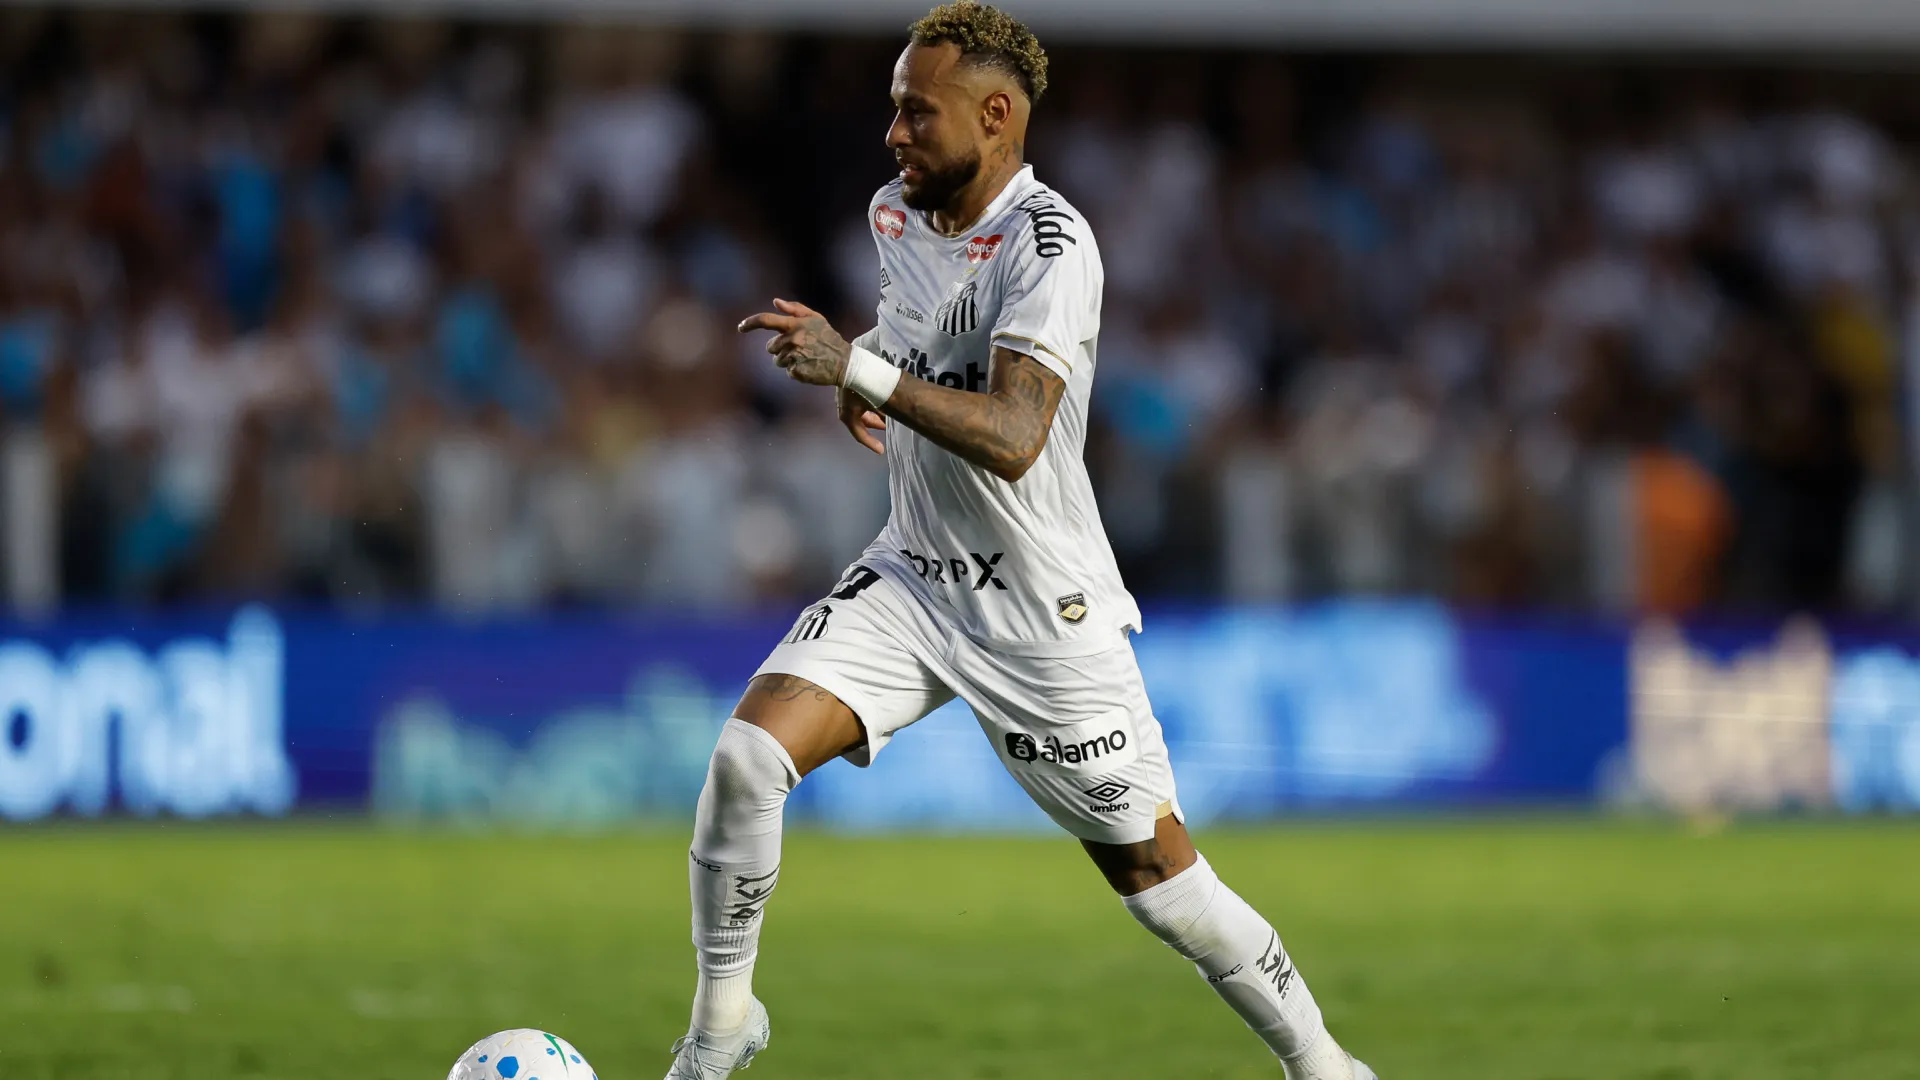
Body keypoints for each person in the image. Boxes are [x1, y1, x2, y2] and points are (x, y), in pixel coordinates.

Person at [668, 4, 1376, 1077]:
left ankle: (1327, 1066)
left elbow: (1010, 436)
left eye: (918, 112)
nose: (894, 134)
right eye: (893, 109)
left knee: (1164, 889)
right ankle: (720, 1032)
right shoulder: (895, 215)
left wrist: (856, 372)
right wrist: (871, 369)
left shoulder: (1054, 246)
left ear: (997, 117)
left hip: (1042, 616)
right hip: (915, 576)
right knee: (746, 759)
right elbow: (918, 350)